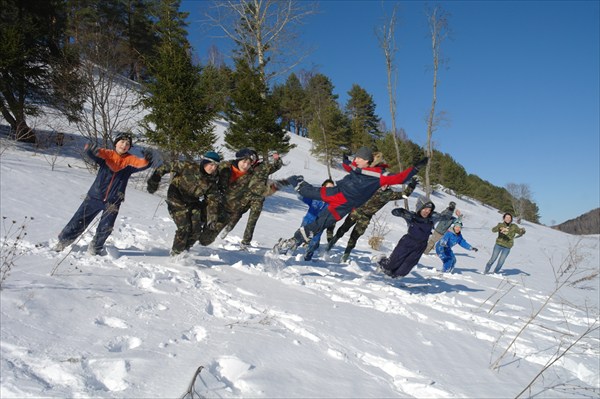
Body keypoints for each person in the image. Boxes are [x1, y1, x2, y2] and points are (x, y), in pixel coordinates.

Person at [274, 146, 427, 255]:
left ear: (366, 160)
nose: (355, 160)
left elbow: (400, 178)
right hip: (336, 193)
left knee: (319, 224)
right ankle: (295, 179)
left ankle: (294, 240)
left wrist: (416, 168)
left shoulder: (379, 176)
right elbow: (347, 166)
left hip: (344, 206)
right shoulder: (356, 168)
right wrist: (345, 158)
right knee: (306, 191)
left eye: (358, 158)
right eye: (355, 157)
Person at [53, 133, 153, 255]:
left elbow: (141, 164)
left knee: (106, 227)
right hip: (94, 196)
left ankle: (95, 247)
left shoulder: (130, 162)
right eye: (122, 142)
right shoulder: (108, 155)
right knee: (79, 220)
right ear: (116, 143)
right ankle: (63, 241)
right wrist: (90, 148)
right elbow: (93, 154)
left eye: (127, 144)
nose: (124, 145)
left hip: (113, 201)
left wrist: (148, 160)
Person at [326, 159, 418, 263]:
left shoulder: (389, 194)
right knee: (343, 229)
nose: (385, 185)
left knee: (355, 236)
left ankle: (345, 255)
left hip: (366, 217)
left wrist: (412, 186)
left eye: (388, 183)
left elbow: (404, 195)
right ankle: (330, 245)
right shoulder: (372, 185)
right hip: (356, 211)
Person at [146, 151, 222, 255]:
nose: (213, 168)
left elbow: (212, 200)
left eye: (216, 166)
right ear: (204, 162)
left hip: (192, 201)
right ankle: (176, 255)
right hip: (176, 198)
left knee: (196, 230)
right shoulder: (188, 166)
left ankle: (184, 252)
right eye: (211, 164)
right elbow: (167, 166)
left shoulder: (211, 181)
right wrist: (155, 179)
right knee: (185, 228)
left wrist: (212, 219)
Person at [376, 198, 455, 278]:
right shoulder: (411, 216)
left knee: (404, 269)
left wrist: (450, 210)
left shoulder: (432, 218)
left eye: (429, 210)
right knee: (392, 263)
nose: (427, 211)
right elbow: (395, 212)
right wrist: (400, 211)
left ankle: (392, 277)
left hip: (421, 246)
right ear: (420, 208)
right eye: (425, 209)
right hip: (407, 242)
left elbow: (445, 217)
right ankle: (381, 261)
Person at [220, 151, 283, 248]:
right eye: (250, 158)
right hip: (244, 197)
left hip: (258, 198)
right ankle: (224, 232)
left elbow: (277, 166)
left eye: (253, 158)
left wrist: (277, 158)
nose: (251, 160)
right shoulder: (245, 167)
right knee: (235, 215)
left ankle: (246, 242)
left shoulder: (264, 167)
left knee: (252, 221)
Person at [197, 148, 259, 246]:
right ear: (239, 159)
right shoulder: (224, 166)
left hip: (227, 212)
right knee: (193, 228)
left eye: (249, 163)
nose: (246, 165)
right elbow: (207, 175)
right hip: (211, 204)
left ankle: (196, 249)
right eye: (244, 162)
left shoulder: (251, 176)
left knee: (206, 240)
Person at [300, 179, 336, 261]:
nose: (331, 189)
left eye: (332, 188)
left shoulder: (332, 201)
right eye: (329, 187)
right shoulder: (316, 196)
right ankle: (287, 250)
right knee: (301, 237)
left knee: (314, 241)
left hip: (319, 224)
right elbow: (304, 196)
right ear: (323, 187)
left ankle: (308, 257)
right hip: (308, 220)